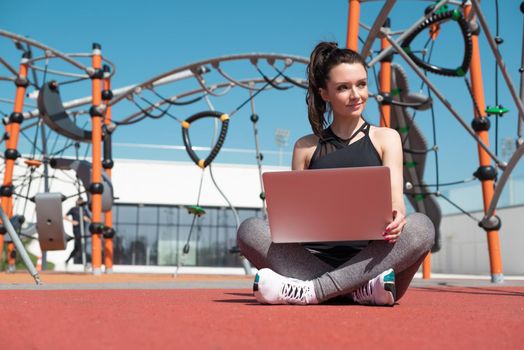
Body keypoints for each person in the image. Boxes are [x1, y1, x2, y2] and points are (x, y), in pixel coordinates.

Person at [237, 42, 435, 306]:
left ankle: (313, 291)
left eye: (361, 84)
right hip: (315, 260)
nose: (356, 95)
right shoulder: (305, 147)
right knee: (249, 230)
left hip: (374, 260)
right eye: (343, 87)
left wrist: (398, 216)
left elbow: (395, 200)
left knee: (422, 227)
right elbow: (293, 220)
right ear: (325, 94)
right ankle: (354, 291)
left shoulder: (387, 138)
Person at [64, 197, 91, 265]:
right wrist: (72, 221)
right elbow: (64, 216)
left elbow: (90, 220)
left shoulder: (84, 210)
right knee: (80, 245)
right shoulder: (73, 209)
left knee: (77, 247)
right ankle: (84, 262)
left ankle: (68, 260)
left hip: (83, 230)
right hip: (76, 230)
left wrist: (86, 219)